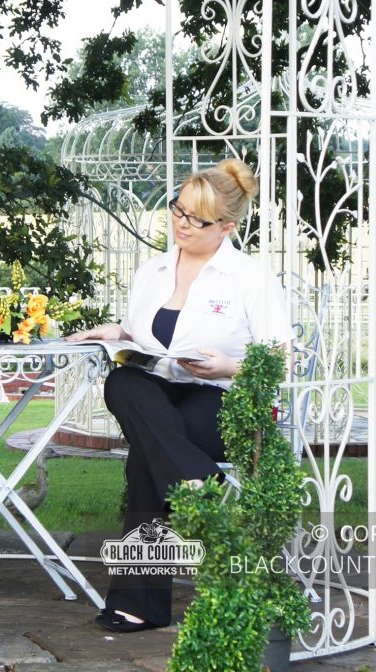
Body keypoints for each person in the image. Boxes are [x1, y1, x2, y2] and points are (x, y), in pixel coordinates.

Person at [68, 157, 292, 633]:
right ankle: (196, 482)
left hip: (223, 397)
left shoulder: (249, 278)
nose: (181, 224)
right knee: (123, 383)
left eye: (196, 219)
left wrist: (228, 365)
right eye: (178, 210)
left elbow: (283, 360)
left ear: (226, 227)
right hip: (158, 389)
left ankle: (139, 604)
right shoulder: (152, 270)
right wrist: (113, 332)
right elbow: (140, 334)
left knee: (150, 453)